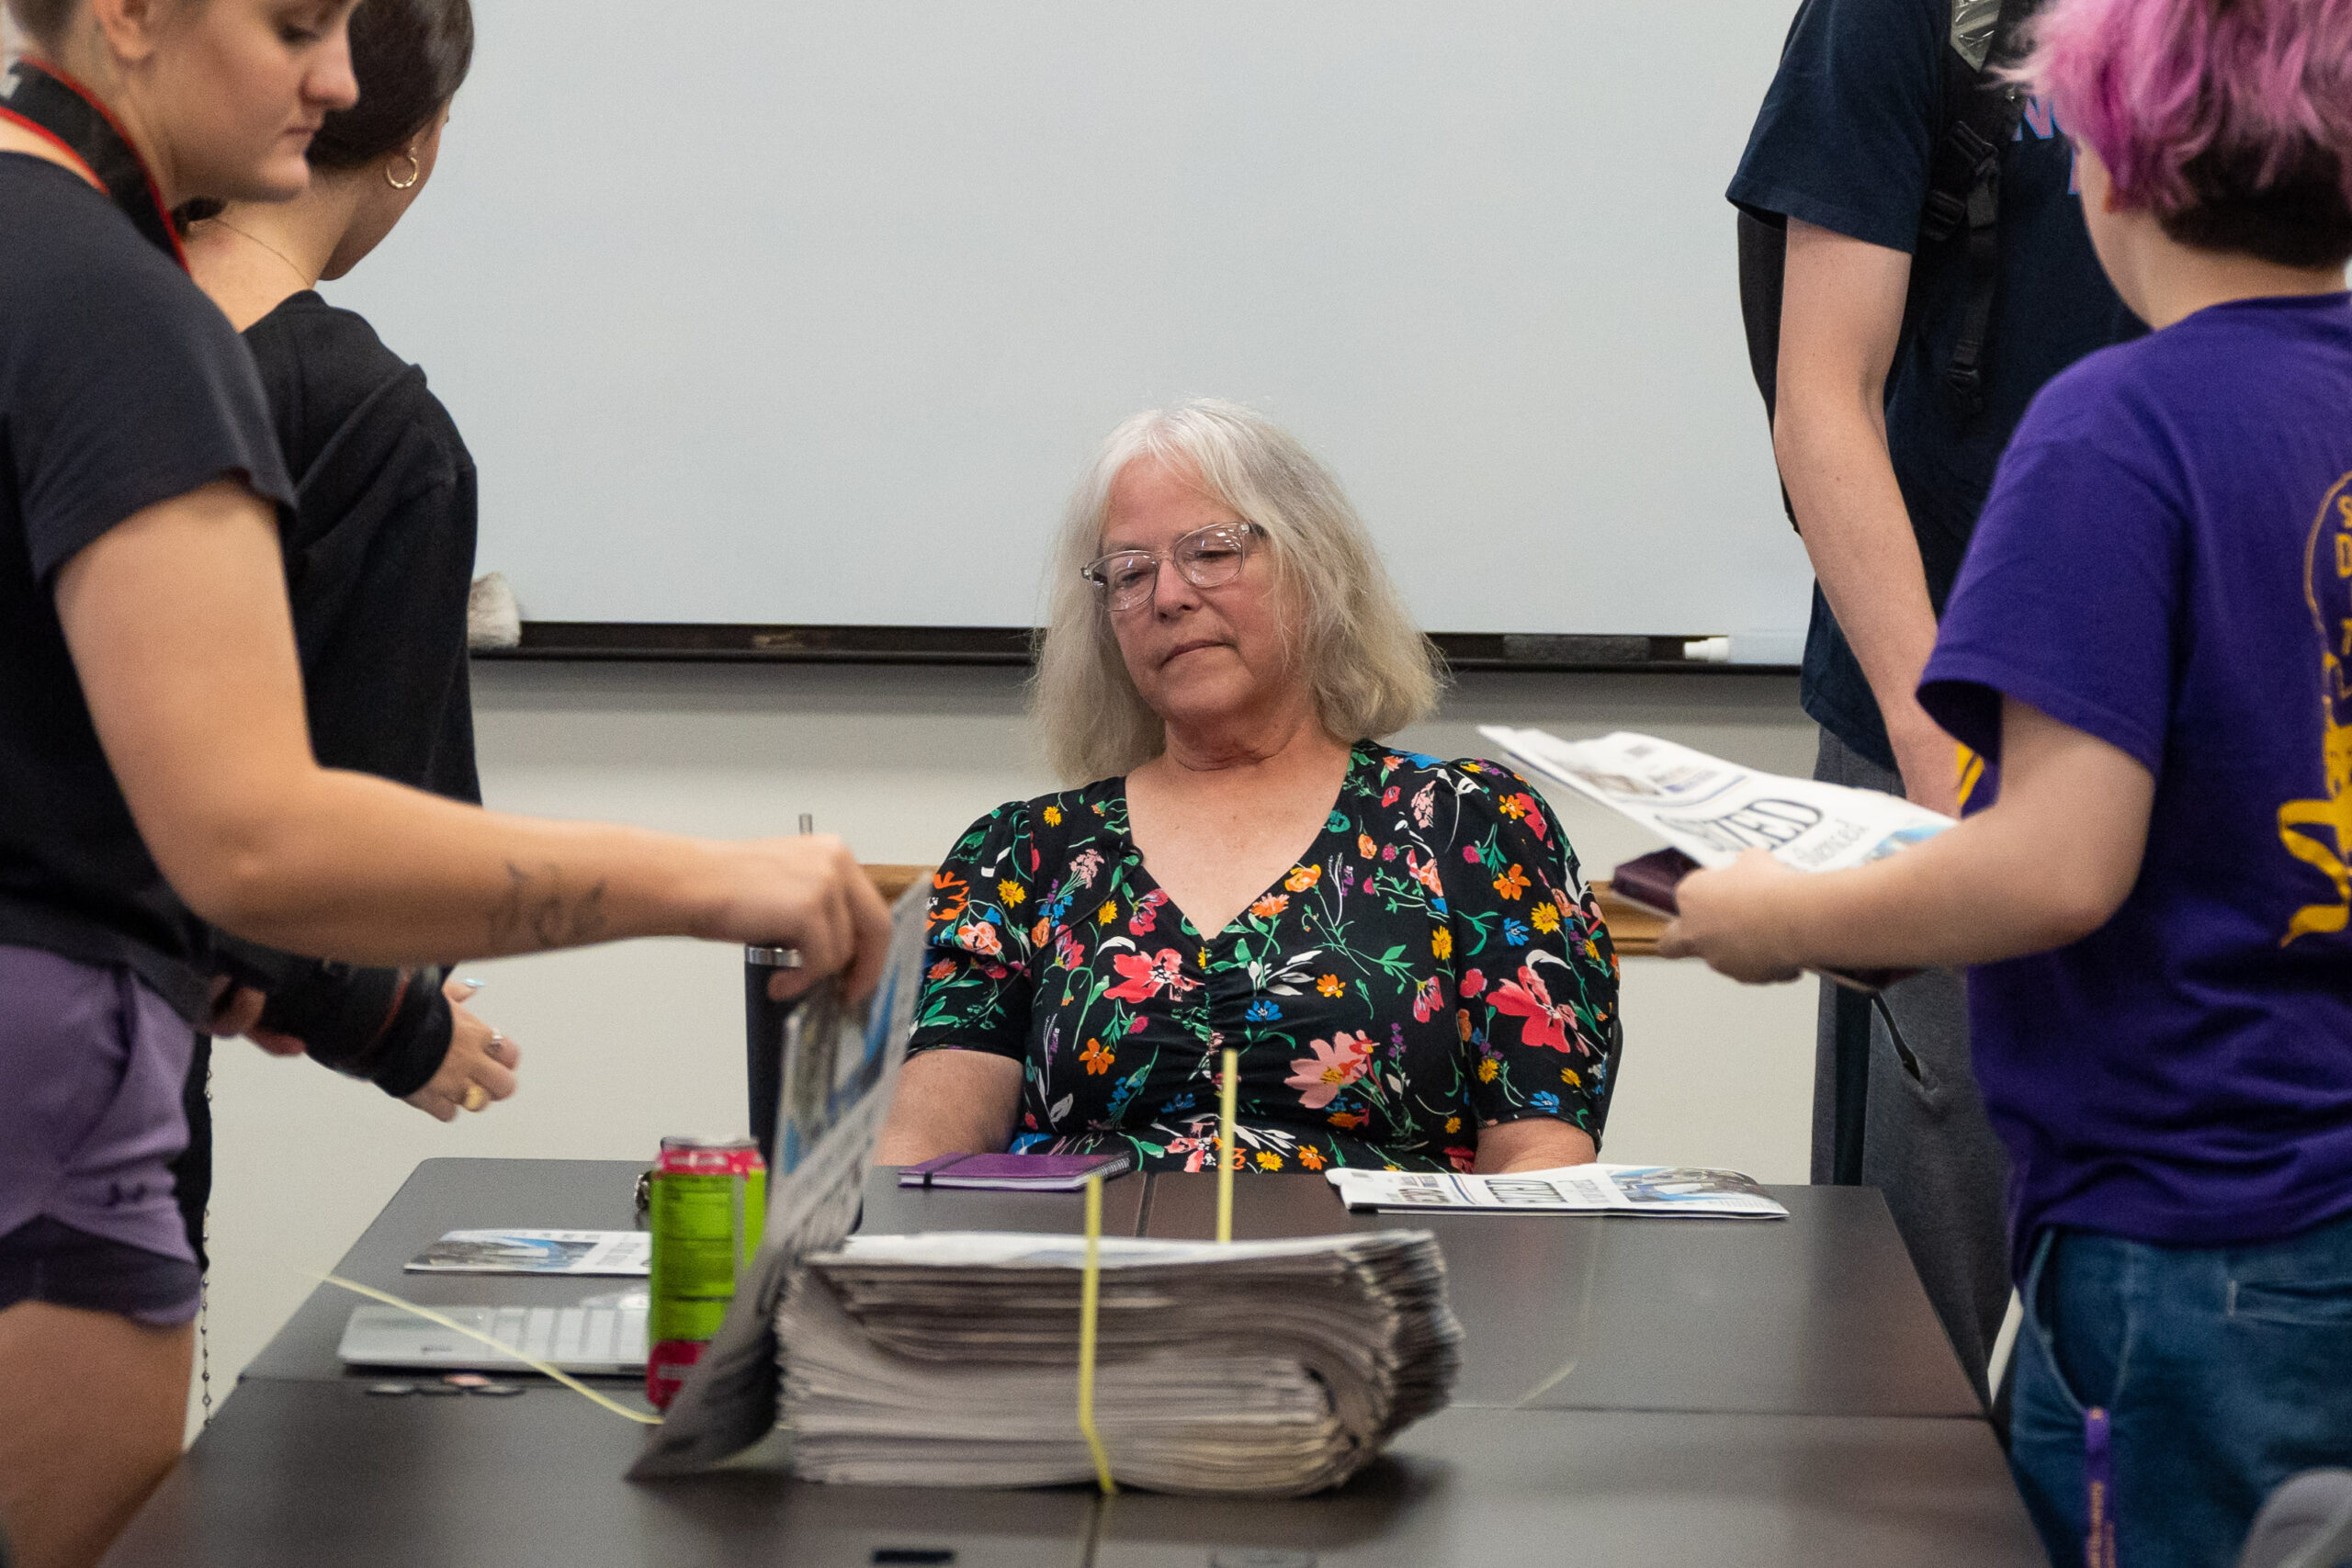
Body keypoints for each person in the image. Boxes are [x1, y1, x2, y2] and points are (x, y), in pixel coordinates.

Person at [0, 5, 889, 1566]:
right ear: (130, 13)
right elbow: (258, 843)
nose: (341, 79)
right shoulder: (112, 313)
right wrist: (715, 883)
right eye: (294, 24)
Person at [1667, 0, 2352, 1559]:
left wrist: (1791, 915)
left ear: (2109, 158)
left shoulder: (2110, 433)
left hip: (2174, 1240)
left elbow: (2053, 867)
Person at [1725, 0, 2145, 1398]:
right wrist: (1930, 734)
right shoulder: (1902, 12)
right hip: (1953, 694)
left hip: (2215, 710)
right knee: (1928, 1296)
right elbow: (1822, 391)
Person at [873, 401, 1622, 1175]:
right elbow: (923, 1153)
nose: (1168, 596)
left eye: (1211, 552)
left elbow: (1540, 1157)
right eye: (1130, 573)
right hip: (1091, 1286)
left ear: (1313, 565)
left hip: (1381, 1285)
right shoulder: (1019, 854)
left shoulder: (1473, 823)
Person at [170, 0, 499, 1269]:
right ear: (414, 140)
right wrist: (395, 1016)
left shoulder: (61, 310)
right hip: (79, 1083)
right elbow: (356, 876)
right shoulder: (373, 432)